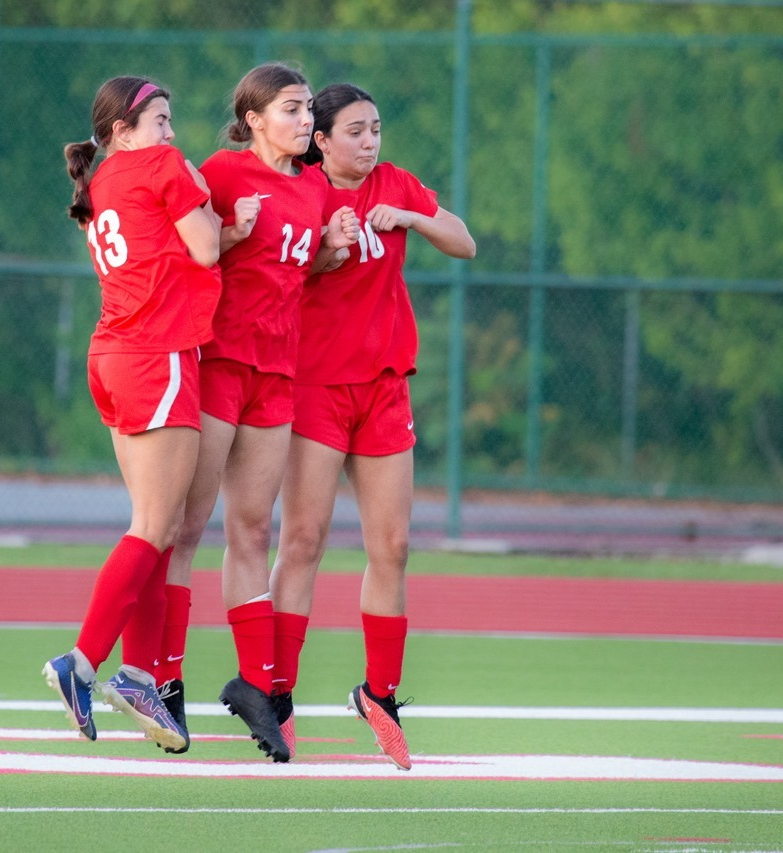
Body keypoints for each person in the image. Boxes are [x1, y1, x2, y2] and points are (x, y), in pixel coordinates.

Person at [153, 62, 358, 762]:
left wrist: (330, 254)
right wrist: (230, 234)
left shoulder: (312, 187)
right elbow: (184, 247)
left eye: (307, 110)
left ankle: (257, 688)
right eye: (294, 110)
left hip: (276, 373)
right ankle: (164, 677)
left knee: (252, 530)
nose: (307, 122)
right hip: (217, 362)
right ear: (253, 119)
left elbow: (296, 272)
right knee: (186, 526)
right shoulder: (222, 170)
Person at [269, 82, 476, 770]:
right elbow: (283, 282)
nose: (370, 140)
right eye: (355, 131)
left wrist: (412, 219)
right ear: (320, 141)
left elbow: (464, 242)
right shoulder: (301, 193)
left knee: (392, 543)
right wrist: (328, 247)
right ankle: (277, 693)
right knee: (303, 539)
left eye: (376, 128)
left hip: (384, 386)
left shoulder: (395, 184)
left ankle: (380, 694)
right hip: (317, 387)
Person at [42, 76, 222, 754]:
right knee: (154, 524)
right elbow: (204, 247)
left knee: (164, 524)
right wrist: (209, 198)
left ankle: (139, 674)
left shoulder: (102, 184)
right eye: (159, 120)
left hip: (113, 354)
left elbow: (166, 247)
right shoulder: (160, 165)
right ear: (121, 130)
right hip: (158, 353)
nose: (170, 133)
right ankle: (82, 662)